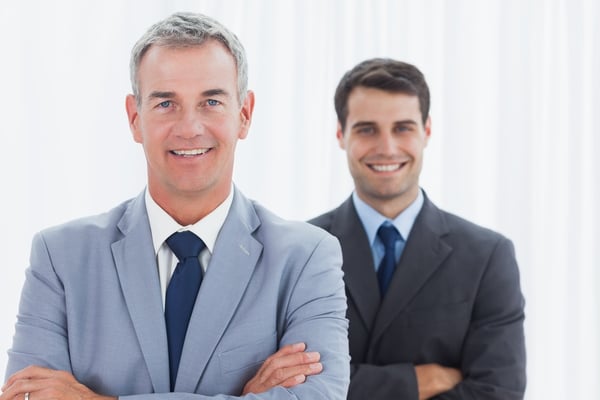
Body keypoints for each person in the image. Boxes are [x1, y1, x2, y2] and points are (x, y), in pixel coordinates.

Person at [1, 12, 350, 400]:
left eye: (211, 101)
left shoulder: (307, 257)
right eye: (166, 103)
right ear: (135, 119)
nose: (189, 127)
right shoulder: (60, 257)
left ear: (244, 115)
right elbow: (27, 396)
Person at [309, 58, 526, 399]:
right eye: (367, 129)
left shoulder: (487, 256)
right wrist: (416, 382)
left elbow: (497, 391)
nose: (387, 148)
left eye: (402, 128)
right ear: (341, 134)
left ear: (426, 131)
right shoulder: (302, 248)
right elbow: (295, 385)